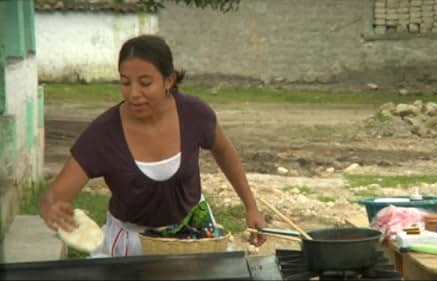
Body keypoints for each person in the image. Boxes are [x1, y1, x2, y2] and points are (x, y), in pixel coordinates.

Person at [39, 34, 267, 256]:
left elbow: (224, 150)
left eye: (145, 83)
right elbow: (55, 195)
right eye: (125, 83)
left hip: (194, 237)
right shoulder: (104, 133)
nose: (134, 93)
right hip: (133, 245)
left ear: (169, 80)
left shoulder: (194, 114)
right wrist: (51, 207)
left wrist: (251, 206)